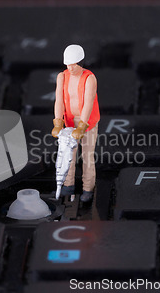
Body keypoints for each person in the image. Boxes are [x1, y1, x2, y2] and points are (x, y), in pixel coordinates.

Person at [51, 44, 100, 202]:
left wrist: (82, 126)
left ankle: (88, 188)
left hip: (88, 122)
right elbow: (59, 100)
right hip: (69, 121)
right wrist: (58, 122)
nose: (70, 68)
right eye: (67, 64)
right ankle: (68, 185)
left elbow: (88, 104)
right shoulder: (62, 77)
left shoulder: (89, 78)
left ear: (81, 62)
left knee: (87, 156)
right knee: (68, 154)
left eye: (73, 64)